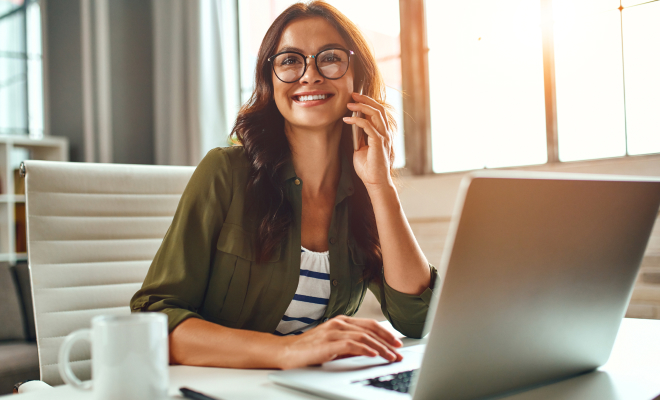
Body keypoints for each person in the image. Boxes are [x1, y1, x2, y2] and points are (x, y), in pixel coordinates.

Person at [130, 1, 438, 370]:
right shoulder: (225, 172)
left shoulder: (363, 190)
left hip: (308, 389)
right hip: (217, 387)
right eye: (290, 60)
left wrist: (381, 186)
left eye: (330, 58)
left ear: (356, 75)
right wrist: (287, 351)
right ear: (270, 80)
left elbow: (418, 319)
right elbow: (153, 322)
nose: (309, 75)